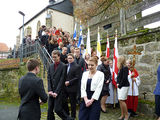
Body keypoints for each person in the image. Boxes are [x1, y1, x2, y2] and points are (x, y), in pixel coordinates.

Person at [47, 50, 72, 120]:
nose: (54, 59)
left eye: (55, 57)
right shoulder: (51, 66)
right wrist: (49, 90)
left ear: (59, 56)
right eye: (53, 57)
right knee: (49, 110)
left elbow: (62, 80)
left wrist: (56, 92)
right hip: (51, 92)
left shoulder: (64, 66)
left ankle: (68, 119)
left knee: (57, 109)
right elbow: (48, 78)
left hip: (60, 92)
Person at [63, 53, 82, 119]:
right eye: (68, 58)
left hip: (73, 87)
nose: (69, 59)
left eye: (71, 58)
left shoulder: (77, 66)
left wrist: (69, 82)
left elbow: (78, 77)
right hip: (65, 88)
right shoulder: (65, 66)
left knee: (72, 103)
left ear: (73, 59)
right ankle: (67, 114)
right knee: (64, 101)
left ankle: (73, 116)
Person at [117, 56, 129, 120]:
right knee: (120, 100)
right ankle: (122, 115)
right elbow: (119, 77)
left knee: (122, 100)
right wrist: (117, 83)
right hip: (120, 86)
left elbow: (124, 79)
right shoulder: (121, 68)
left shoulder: (125, 68)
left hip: (124, 86)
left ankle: (126, 115)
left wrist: (119, 85)